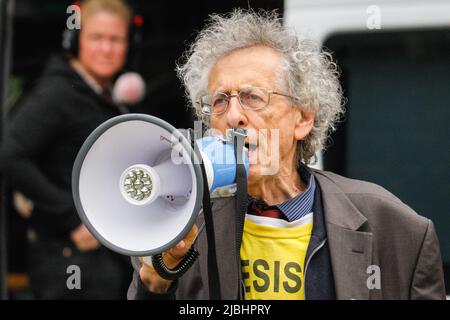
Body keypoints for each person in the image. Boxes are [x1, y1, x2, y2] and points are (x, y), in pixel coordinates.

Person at [128, 10, 446, 300]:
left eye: (253, 97)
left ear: (302, 119)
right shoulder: (177, 223)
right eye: (220, 101)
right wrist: (156, 282)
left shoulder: (397, 229)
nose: (233, 116)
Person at [0, 0, 134, 299]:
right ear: (75, 41)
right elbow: (10, 155)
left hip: (101, 257)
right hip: (69, 259)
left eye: (115, 39)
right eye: (96, 38)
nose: (106, 49)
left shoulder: (103, 95)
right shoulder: (58, 93)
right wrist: (71, 216)